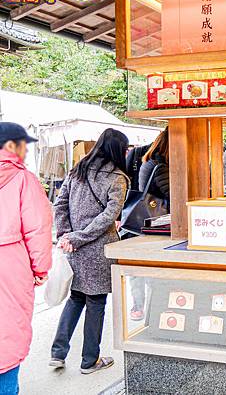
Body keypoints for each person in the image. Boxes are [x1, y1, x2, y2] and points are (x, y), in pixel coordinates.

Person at [49, 128, 129, 374]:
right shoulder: (117, 177)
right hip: (97, 250)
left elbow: (60, 204)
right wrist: (79, 237)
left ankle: (57, 354)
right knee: (96, 302)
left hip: (74, 248)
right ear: (118, 151)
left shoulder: (78, 171)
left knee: (75, 299)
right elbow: (109, 216)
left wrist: (66, 235)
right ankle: (89, 360)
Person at [0, 123, 53, 395]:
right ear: (11, 146)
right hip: (9, 266)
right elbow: (38, 227)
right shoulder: (23, 179)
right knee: (6, 333)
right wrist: (40, 269)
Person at [129, 128, 170, 321]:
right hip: (155, 223)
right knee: (152, 272)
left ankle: (139, 306)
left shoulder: (149, 161)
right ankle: (152, 315)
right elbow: (173, 197)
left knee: (140, 269)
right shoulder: (161, 167)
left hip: (147, 223)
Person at [139, 128, 170, 204]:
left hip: (148, 207)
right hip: (156, 210)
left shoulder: (150, 160)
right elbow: (171, 194)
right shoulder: (160, 166)